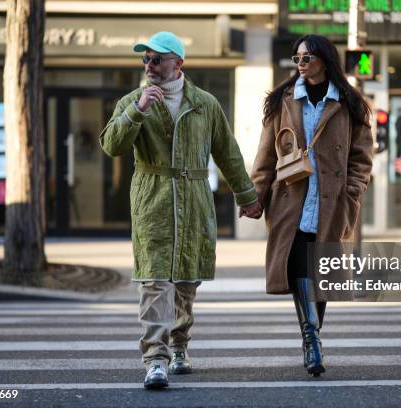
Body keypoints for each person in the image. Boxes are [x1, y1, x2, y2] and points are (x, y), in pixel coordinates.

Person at [99, 31, 262, 390]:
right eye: (145, 60)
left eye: (157, 59)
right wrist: (137, 111)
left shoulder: (205, 103)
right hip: (152, 199)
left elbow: (227, 153)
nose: (149, 66)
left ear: (178, 63)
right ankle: (154, 358)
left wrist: (247, 197)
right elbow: (111, 145)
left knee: (187, 281)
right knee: (155, 280)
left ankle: (179, 346)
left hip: (194, 199)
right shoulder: (133, 100)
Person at [246, 34, 373, 377]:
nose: (299, 65)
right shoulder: (283, 100)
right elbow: (265, 154)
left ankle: (313, 332)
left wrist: (353, 191)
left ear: (323, 61)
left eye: (306, 59)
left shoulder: (350, 102)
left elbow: (362, 157)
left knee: (322, 271)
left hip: (333, 201)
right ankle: (311, 339)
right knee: (301, 264)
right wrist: (255, 195)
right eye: (296, 59)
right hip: (293, 198)